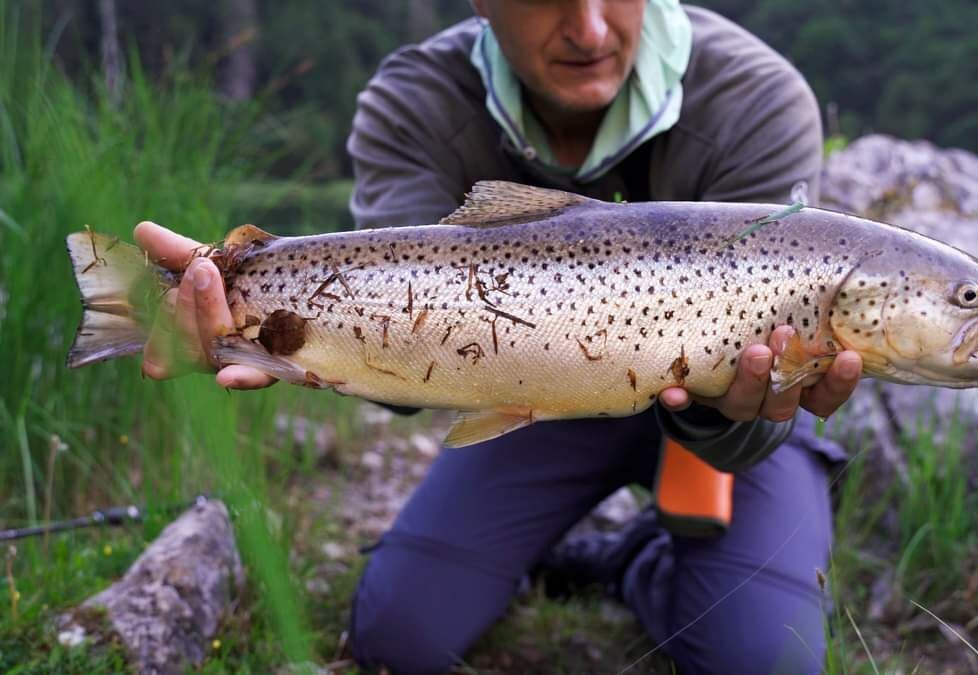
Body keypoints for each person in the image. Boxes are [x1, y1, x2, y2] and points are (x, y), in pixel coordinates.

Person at [135, 1, 862, 672]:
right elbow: (404, 362)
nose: (590, 29)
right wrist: (262, 327)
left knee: (770, 661)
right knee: (398, 635)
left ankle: (635, 557)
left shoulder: (757, 99)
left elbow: (759, 422)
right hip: (530, 391)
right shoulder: (414, 99)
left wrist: (739, 404)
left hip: (719, 426)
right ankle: (574, 544)